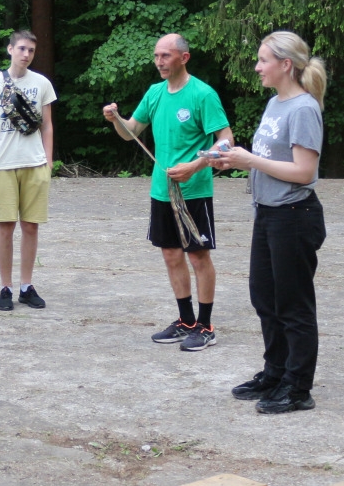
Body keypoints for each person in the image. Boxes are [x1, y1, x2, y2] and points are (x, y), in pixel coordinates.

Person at [215, 31, 327, 414]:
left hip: (294, 216)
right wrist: (231, 158)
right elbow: (267, 156)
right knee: (265, 298)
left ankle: (298, 388)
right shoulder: (275, 104)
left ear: (285, 65)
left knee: (293, 305)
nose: (257, 67)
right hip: (267, 214)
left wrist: (251, 162)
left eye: (263, 60)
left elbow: (304, 171)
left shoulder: (303, 109)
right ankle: (275, 372)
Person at [102, 33, 233, 352]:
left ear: (184, 58)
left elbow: (226, 140)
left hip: (194, 190)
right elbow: (130, 133)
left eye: (166, 56)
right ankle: (186, 321)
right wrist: (116, 119)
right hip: (161, 191)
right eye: (157, 55)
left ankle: (205, 326)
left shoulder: (203, 94)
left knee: (198, 256)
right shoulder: (155, 93)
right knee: (171, 254)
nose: (159, 61)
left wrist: (195, 164)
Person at [0, 30, 57, 311]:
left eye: (31, 51)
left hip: (34, 163)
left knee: (31, 226)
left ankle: (26, 286)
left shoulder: (42, 83)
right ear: (10, 49)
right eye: (22, 49)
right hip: (3, 164)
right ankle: (5, 287)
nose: (26, 54)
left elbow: (47, 124)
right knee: (5, 226)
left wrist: (48, 162)